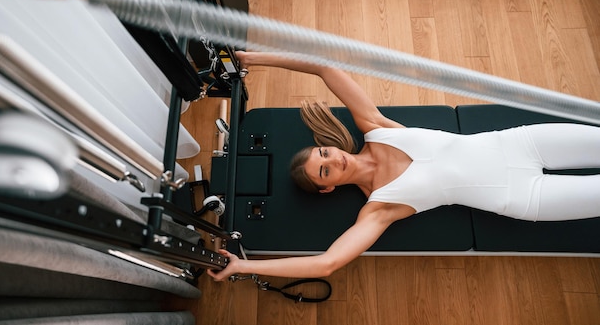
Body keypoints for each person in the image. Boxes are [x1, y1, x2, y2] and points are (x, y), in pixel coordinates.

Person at [207, 51, 600, 281]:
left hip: (522, 143)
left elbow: (325, 67)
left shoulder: (375, 128)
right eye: (325, 171)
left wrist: (254, 59)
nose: (334, 160)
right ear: (327, 188)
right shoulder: (378, 208)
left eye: (324, 153)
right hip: (523, 198)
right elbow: (327, 263)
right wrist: (245, 265)